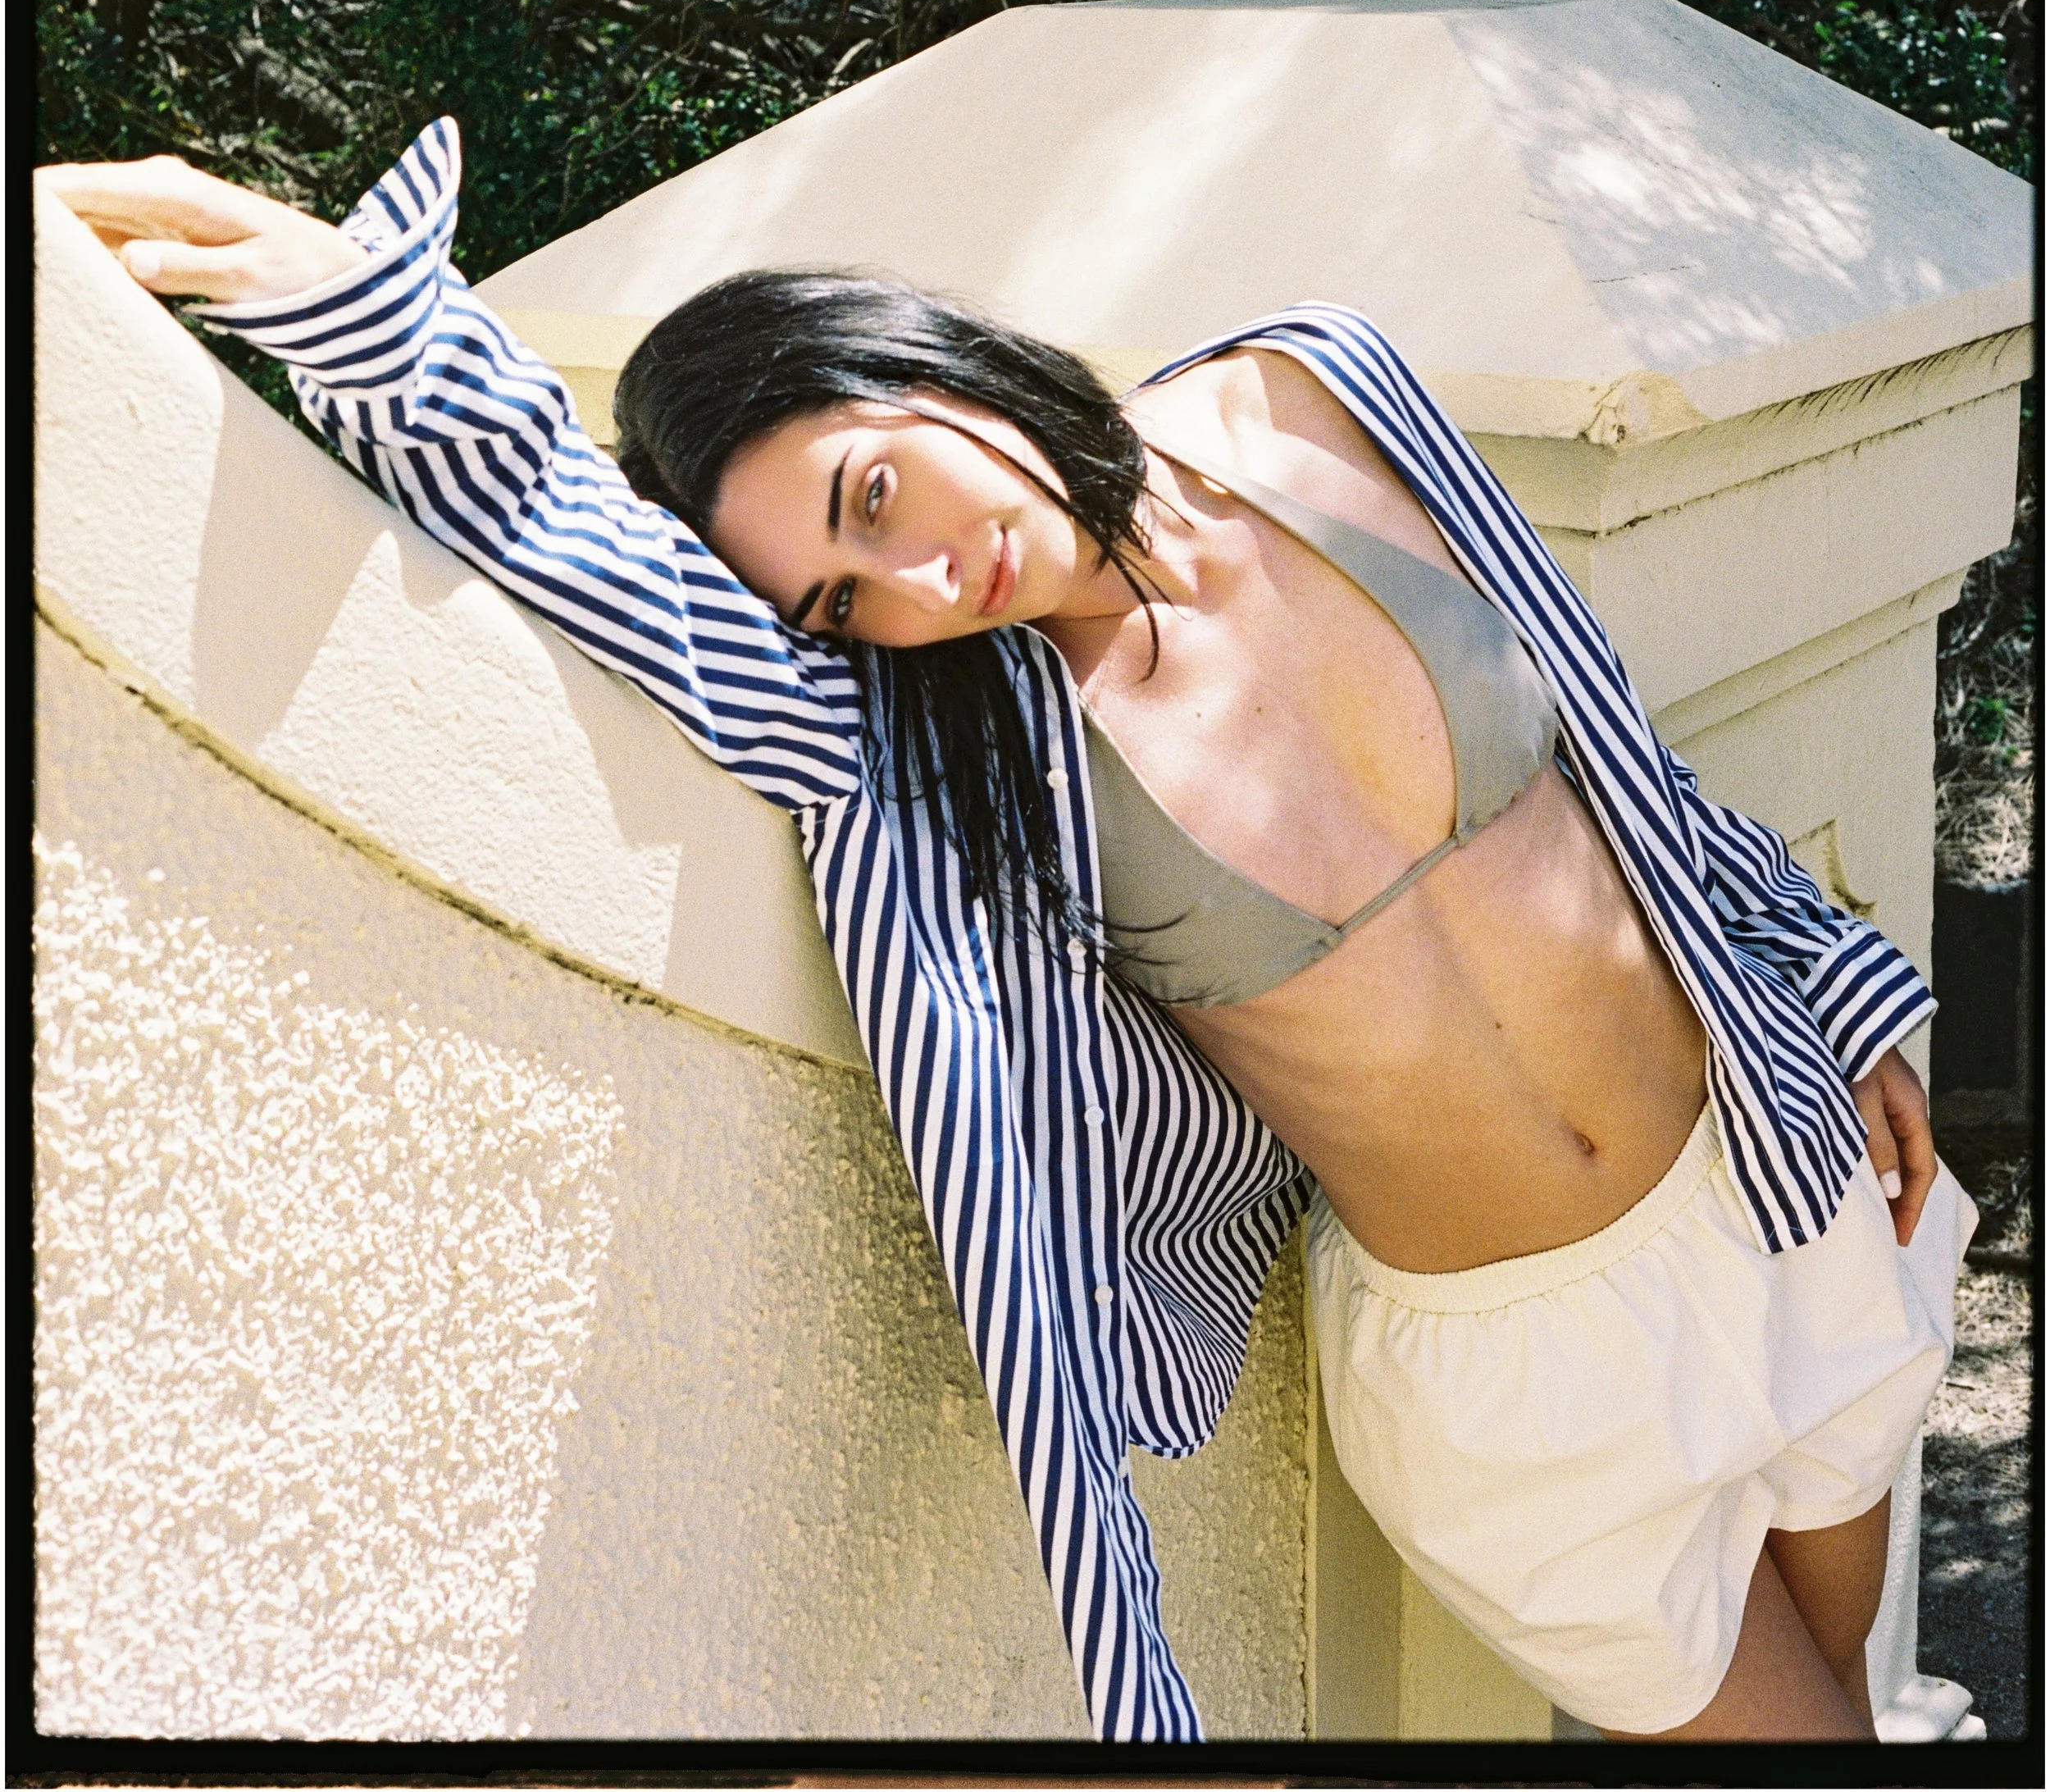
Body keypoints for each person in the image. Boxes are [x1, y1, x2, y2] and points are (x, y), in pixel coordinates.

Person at [39, 120, 1972, 1747]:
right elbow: (575, 541)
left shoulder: (1320, 395)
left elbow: (1622, 761)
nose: (904, 584)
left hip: (1776, 1180)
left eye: (870, 495)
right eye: (839, 596)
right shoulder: (956, 743)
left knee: (1864, 1697)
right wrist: (356, 317)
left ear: (923, 366)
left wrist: (1834, 987)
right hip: (1519, 1380)